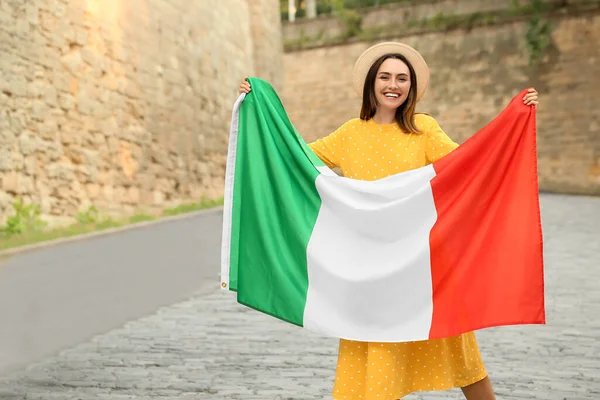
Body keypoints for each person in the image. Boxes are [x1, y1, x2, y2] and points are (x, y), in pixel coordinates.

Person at [238, 42, 539, 400]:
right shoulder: (350, 133)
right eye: (384, 77)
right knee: (378, 359)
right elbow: (292, 157)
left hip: (421, 267)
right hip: (369, 272)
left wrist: (513, 121)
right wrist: (259, 107)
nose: (392, 85)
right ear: (371, 83)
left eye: (401, 78)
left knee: (461, 358)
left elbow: (471, 163)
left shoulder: (423, 130)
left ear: (411, 87)